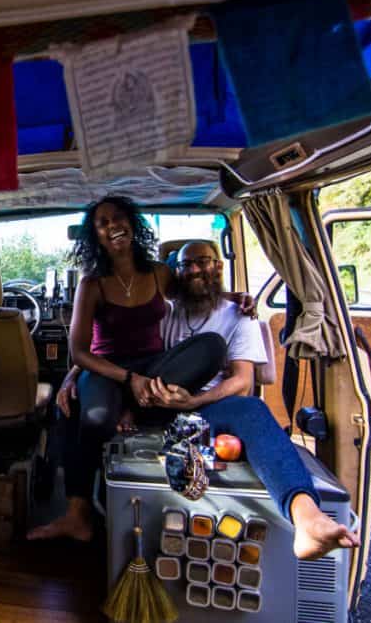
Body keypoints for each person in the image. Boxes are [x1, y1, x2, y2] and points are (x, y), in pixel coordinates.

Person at [46, 240, 361, 560]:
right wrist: (74, 377)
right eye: (185, 265)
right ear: (175, 272)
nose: (195, 270)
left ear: (219, 267)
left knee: (248, 403)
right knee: (73, 403)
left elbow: (242, 380)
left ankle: (307, 518)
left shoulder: (240, 315)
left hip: (208, 406)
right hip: (153, 404)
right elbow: (114, 351)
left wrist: (194, 402)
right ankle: (80, 513)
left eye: (203, 262)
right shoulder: (165, 312)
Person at [27, 196, 231, 543]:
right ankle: (79, 515)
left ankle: (133, 407)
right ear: (96, 236)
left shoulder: (159, 273)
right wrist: (128, 379)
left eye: (118, 218)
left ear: (133, 224)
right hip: (108, 369)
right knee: (91, 417)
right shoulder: (92, 284)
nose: (112, 227)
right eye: (102, 223)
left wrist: (235, 297)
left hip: (155, 366)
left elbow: (199, 292)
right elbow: (79, 351)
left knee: (212, 346)